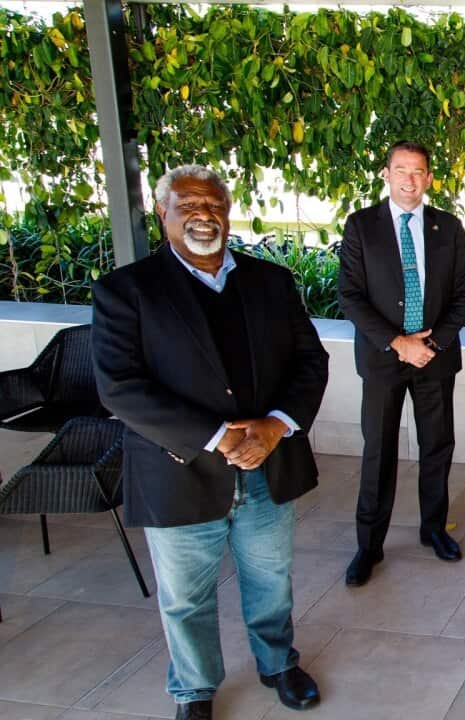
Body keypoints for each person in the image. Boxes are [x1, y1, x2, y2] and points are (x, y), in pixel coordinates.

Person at [92, 165, 329, 720]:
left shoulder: (271, 281)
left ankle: (277, 664)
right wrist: (219, 437)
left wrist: (275, 425)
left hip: (268, 465)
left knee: (270, 580)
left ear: (228, 210)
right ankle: (194, 691)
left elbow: (310, 362)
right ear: (163, 214)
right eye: (188, 205)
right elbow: (120, 389)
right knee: (186, 598)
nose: (203, 215)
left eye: (214, 204)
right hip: (180, 474)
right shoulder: (126, 291)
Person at [339, 140, 465, 586]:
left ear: (429, 178)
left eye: (418, 171)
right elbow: (350, 296)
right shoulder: (362, 226)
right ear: (386, 174)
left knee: (437, 446)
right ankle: (369, 546)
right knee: (378, 451)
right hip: (383, 359)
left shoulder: (448, 228)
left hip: (434, 358)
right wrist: (398, 343)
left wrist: (431, 343)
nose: (409, 179)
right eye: (401, 170)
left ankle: (433, 529)